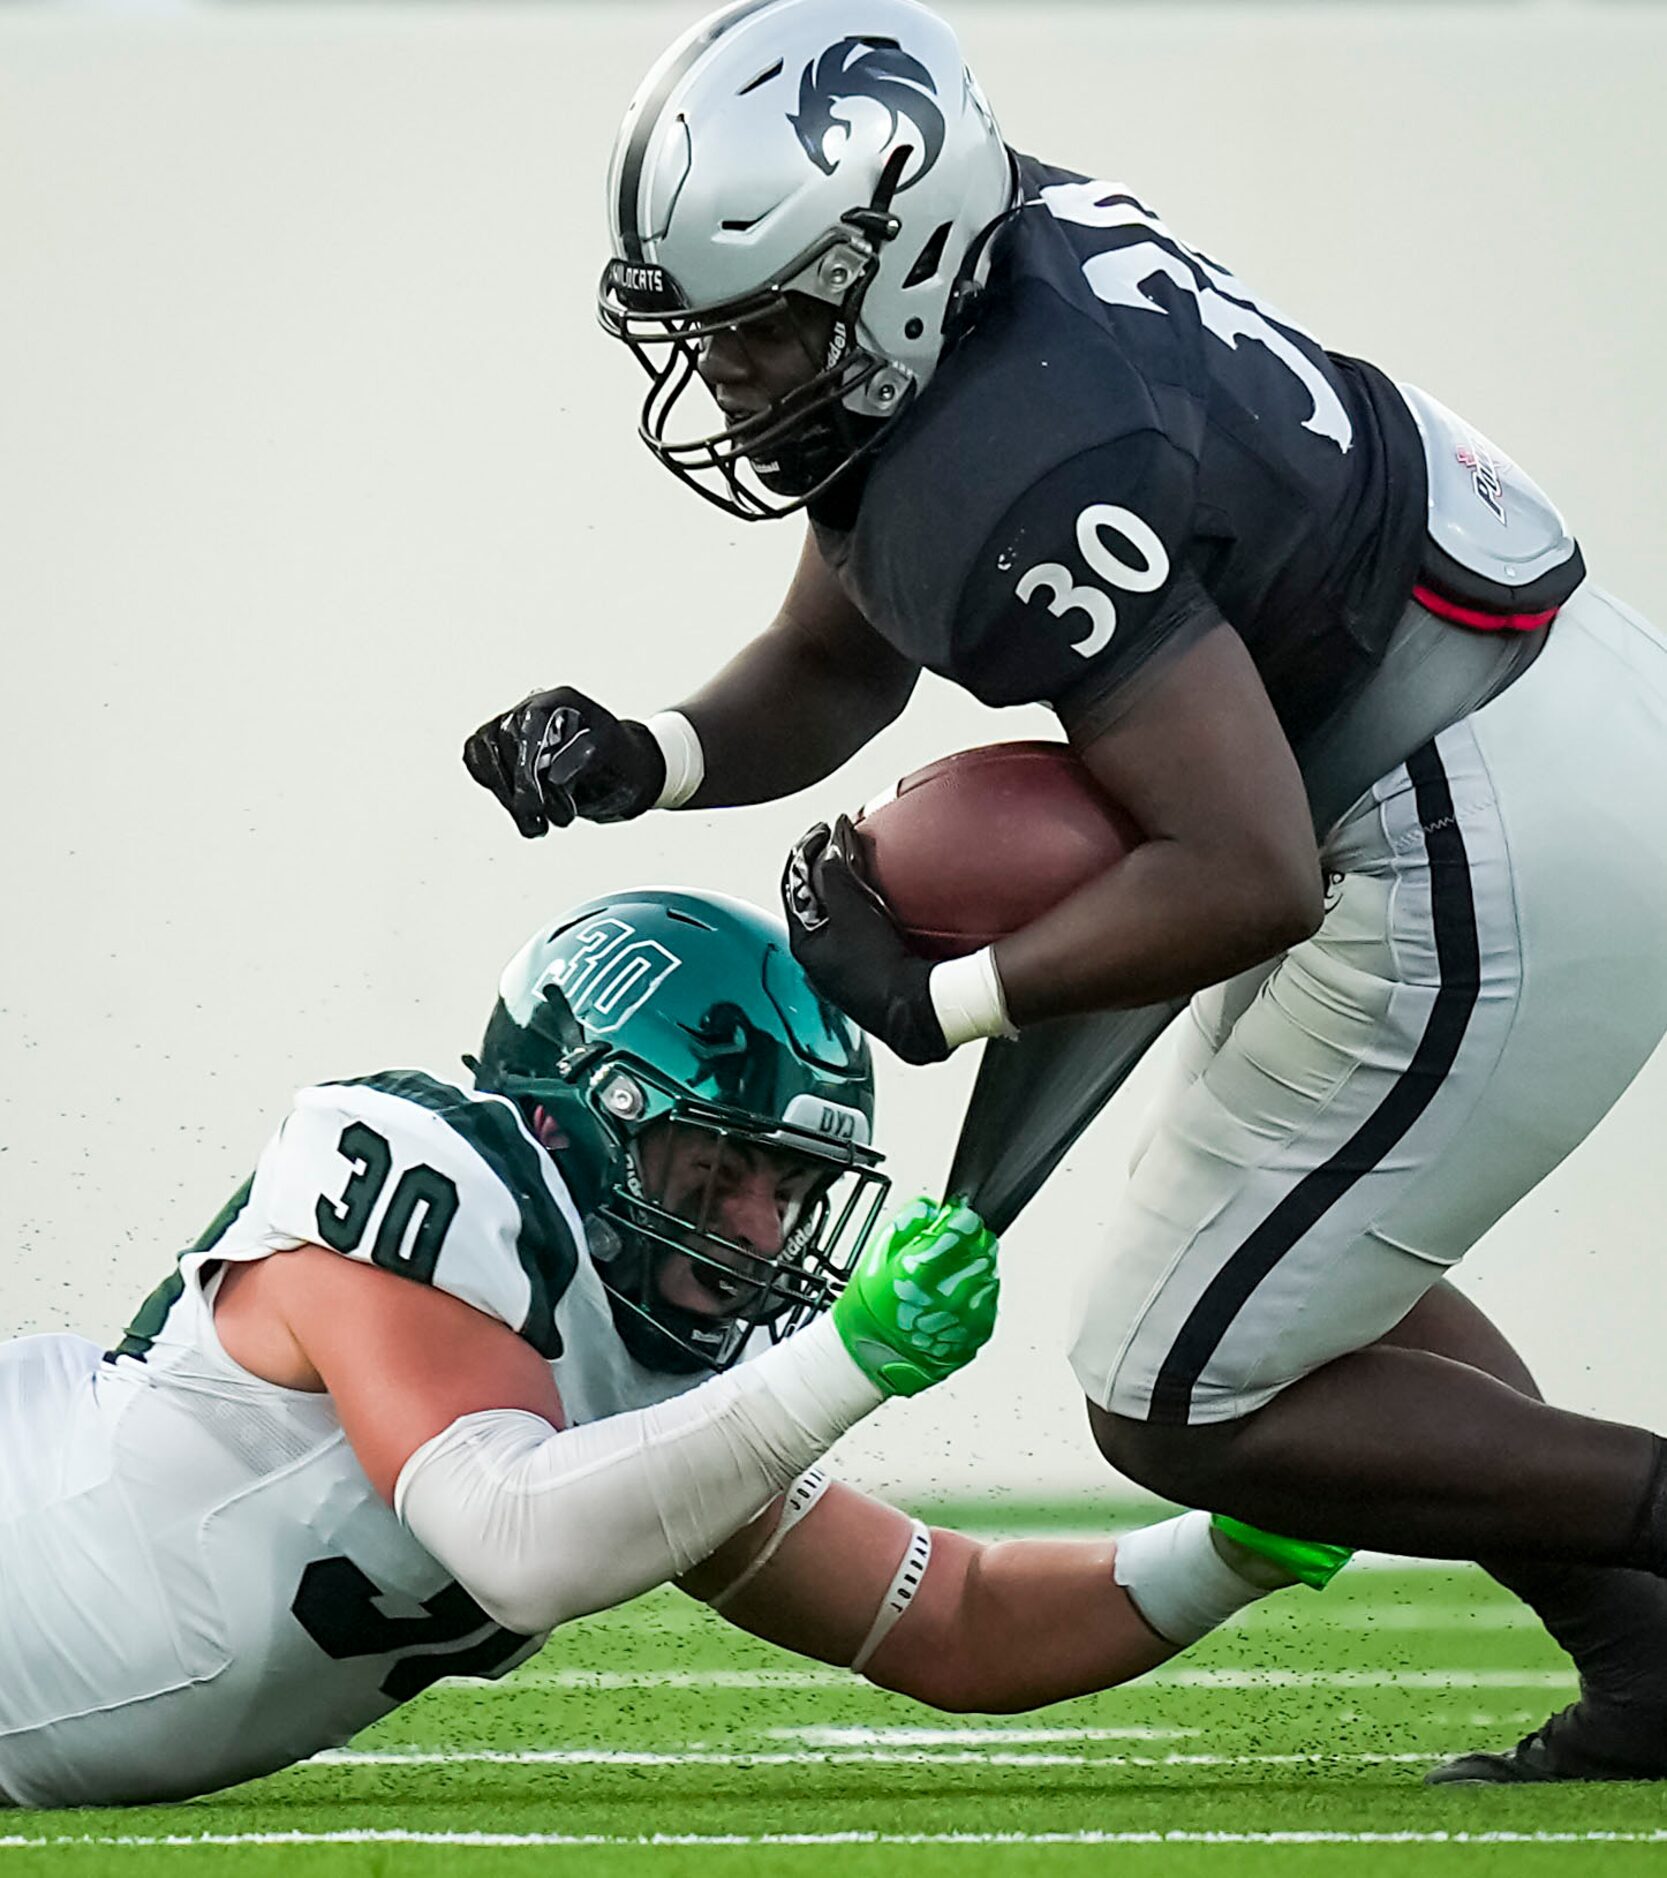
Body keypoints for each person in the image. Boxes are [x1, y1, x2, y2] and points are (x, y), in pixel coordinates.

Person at [462, 0, 1667, 1783]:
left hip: (1475, 799)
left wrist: (941, 997)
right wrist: (648, 750)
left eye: (772, 325)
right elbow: (839, 653)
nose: (733, 372)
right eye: (710, 329)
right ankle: (1648, 1660)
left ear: (887, 259)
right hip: (1494, 721)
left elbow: (1240, 872)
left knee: (1180, 1395)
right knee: (1259, 1275)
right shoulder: (972, 288)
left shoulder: (1018, 456)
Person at [0, 887, 1343, 1809]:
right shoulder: (427, 1179)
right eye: (718, 1171)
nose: (760, 1229)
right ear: (590, 1118)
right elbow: (516, 1538)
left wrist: (1232, 1550)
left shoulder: (659, 1369)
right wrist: (852, 1360)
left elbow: (955, 1619)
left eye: (792, 1189)